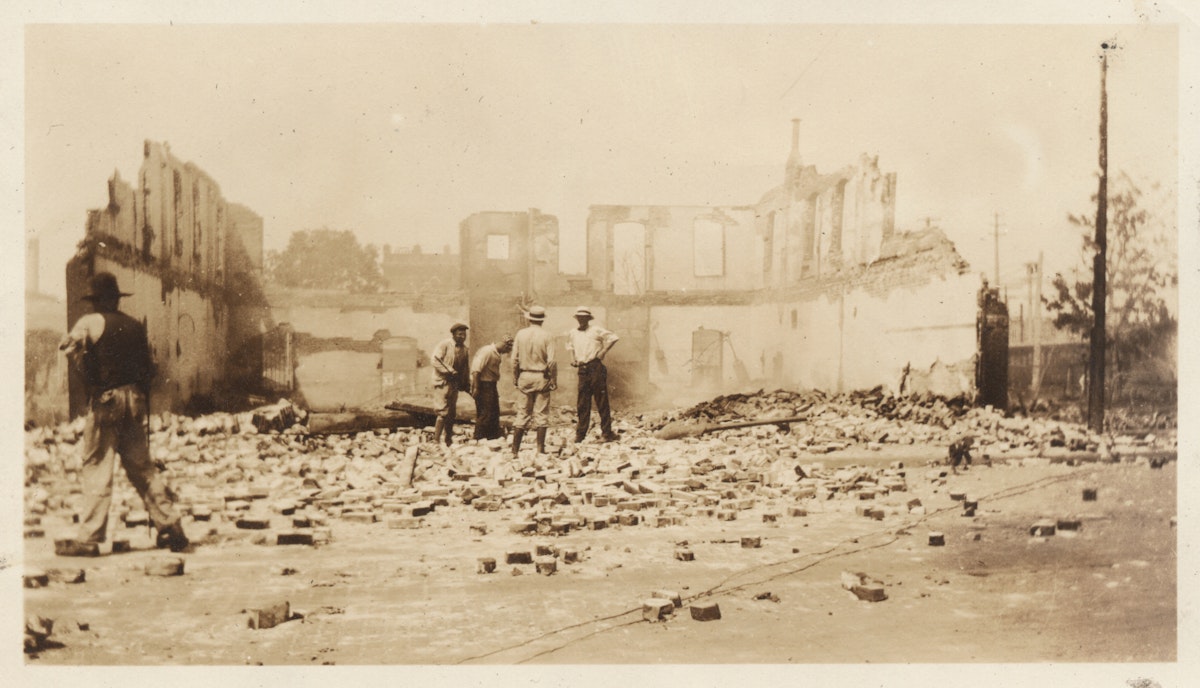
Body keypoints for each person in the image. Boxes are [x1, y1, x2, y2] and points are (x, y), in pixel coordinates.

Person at [58, 272, 189, 553]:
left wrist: (86, 378)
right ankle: (171, 524)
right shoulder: (134, 326)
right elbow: (149, 368)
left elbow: (69, 347)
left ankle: (90, 538)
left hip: (107, 401)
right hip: (135, 399)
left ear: (97, 300)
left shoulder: (90, 322)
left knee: (97, 467)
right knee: (142, 467)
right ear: (115, 299)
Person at [566, 306, 620, 443]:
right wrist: (573, 359)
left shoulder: (595, 330)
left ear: (588, 319)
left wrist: (603, 351)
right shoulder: (573, 332)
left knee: (601, 401)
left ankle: (607, 433)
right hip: (582, 369)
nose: (581, 320)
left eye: (584, 317)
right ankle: (580, 434)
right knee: (582, 403)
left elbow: (614, 337)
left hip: (595, 367)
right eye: (579, 317)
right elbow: (570, 346)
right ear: (577, 319)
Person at [511, 306, 556, 456]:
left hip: (524, 375)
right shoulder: (547, 335)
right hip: (541, 376)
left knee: (522, 413)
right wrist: (553, 379)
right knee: (541, 414)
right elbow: (552, 362)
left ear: (529, 319)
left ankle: (514, 451)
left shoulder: (520, 334)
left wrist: (515, 377)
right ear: (542, 320)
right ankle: (540, 449)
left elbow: (514, 360)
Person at [430, 322, 470, 446]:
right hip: (442, 382)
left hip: (454, 384)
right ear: (453, 335)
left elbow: (465, 368)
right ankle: (436, 440)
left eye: (464, 334)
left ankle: (448, 440)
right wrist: (449, 370)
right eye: (459, 334)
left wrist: (465, 382)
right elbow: (435, 360)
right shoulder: (445, 345)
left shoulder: (465, 349)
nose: (462, 337)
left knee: (451, 413)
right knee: (442, 411)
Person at [469, 334, 514, 441]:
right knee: (485, 412)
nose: (506, 353)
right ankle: (478, 437)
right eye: (507, 350)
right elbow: (476, 370)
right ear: (505, 345)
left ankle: (492, 437)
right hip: (483, 384)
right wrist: (476, 387)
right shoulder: (487, 351)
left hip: (491, 385)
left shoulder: (496, 354)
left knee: (494, 411)